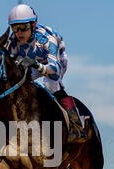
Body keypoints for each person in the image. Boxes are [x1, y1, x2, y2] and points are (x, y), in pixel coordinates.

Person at [7, 4, 85, 143]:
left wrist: (36, 65)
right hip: (32, 62)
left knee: (50, 85)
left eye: (23, 27)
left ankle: (75, 125)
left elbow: (54, 72)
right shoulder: (12, 41)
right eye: (15, 28)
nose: (19, 33)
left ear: (33, 24)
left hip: (55, 61)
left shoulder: (48, 39)